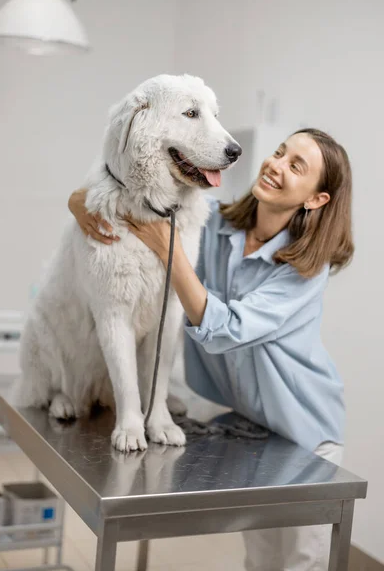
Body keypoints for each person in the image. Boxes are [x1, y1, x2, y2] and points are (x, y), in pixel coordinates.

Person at [68, 128, 353, 571]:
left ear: (316, 199)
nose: (276, 165)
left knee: (297, 563)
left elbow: (224, 328)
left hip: (305, 437)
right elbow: (123, 190)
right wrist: (77, 201)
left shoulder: (303, 272)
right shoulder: (213, 219)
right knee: (260, 559)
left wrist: (169, 248)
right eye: (280, 152)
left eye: (296, 166)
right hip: (253, 429)